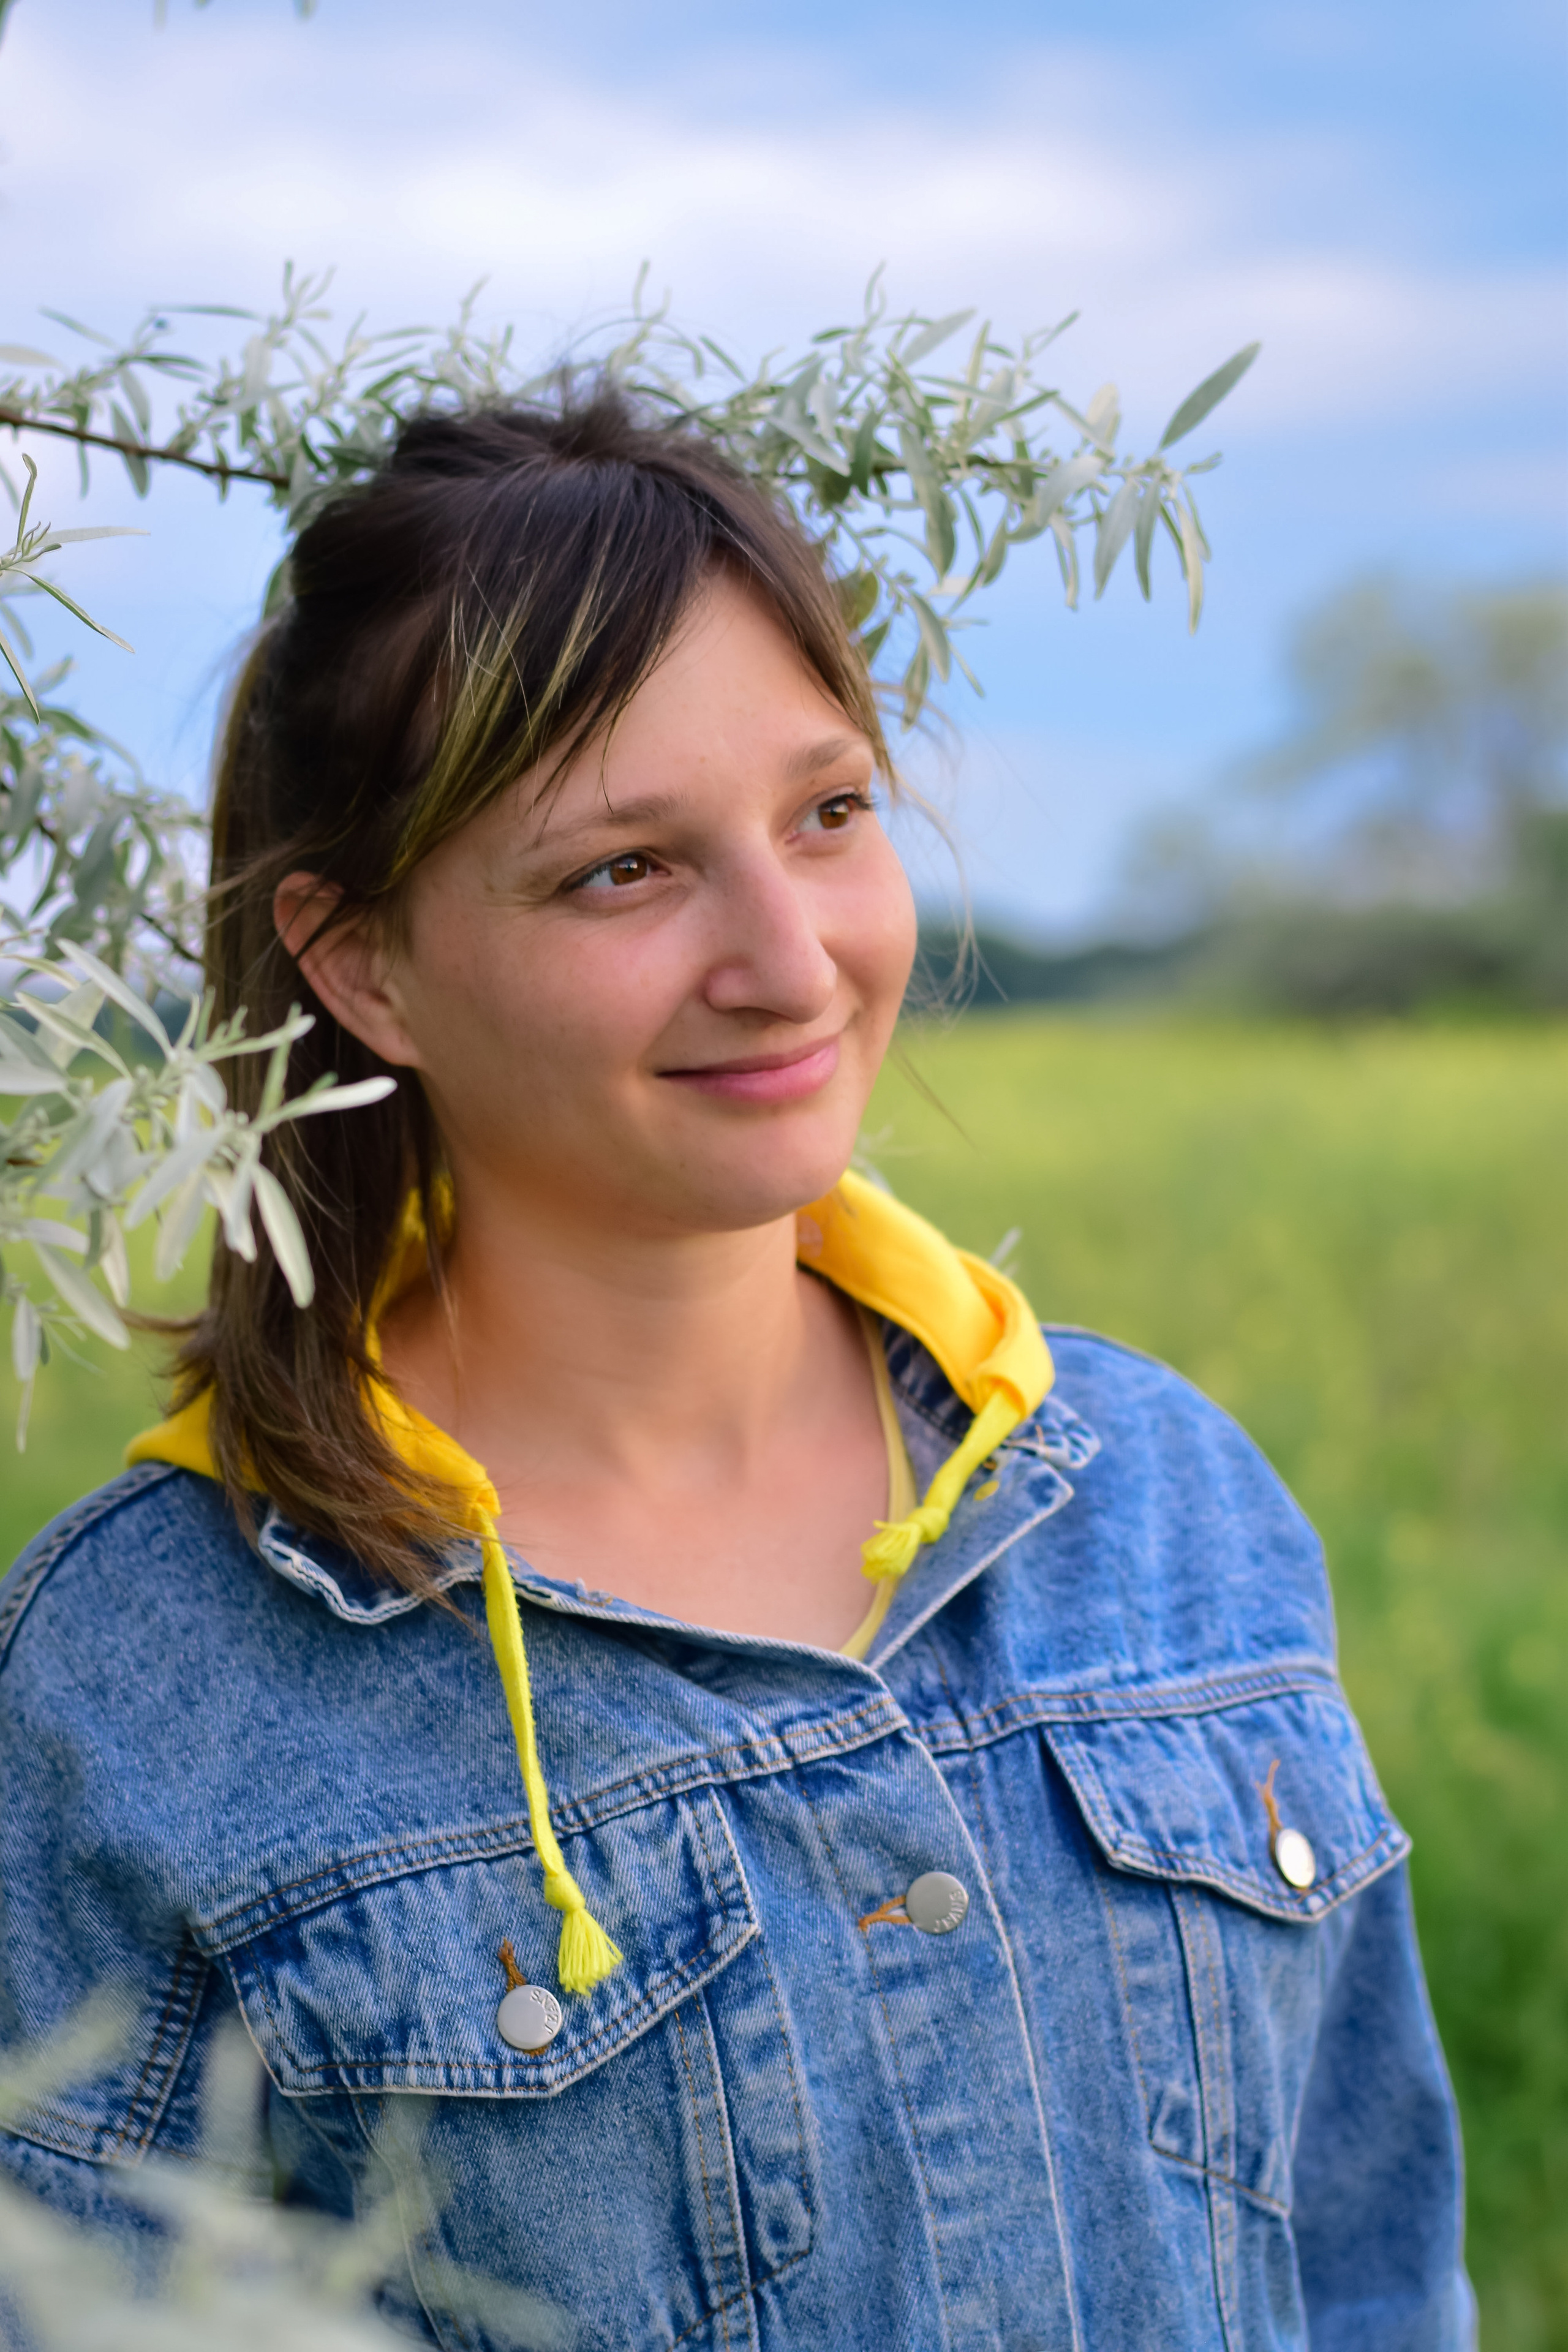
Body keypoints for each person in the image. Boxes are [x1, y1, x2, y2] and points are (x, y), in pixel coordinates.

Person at [0, 393, 1470, 2350]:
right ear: (362, 969)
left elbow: (1372, 2272)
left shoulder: (1164, 1498)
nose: (790, 958)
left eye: (829, 814)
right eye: (626, 868)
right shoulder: (135, 1688)